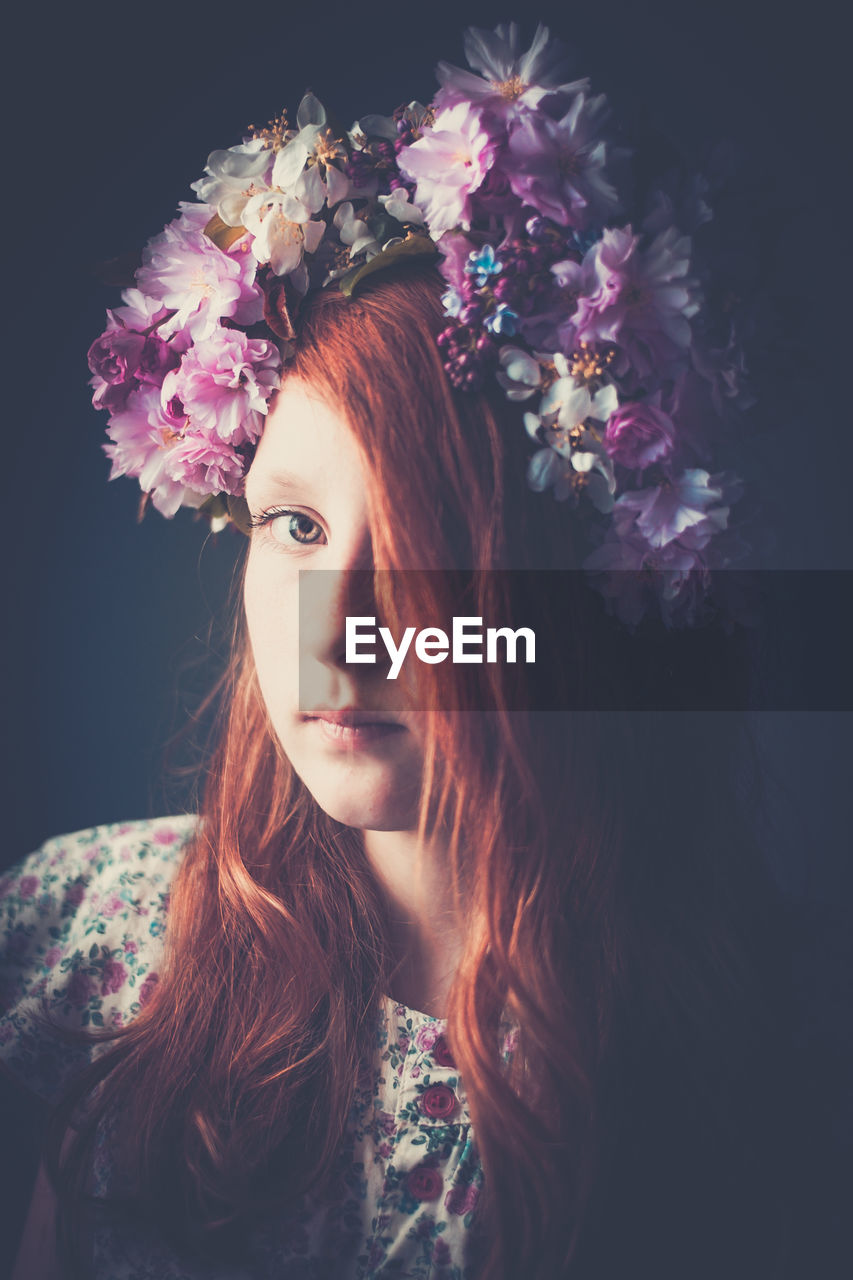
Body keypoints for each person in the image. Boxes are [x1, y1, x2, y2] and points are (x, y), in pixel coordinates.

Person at [1, 21, 811, 1280]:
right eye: (299, 525)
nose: (342, 628)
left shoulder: (760, 1038)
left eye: (430, 543)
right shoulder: (98, 940)